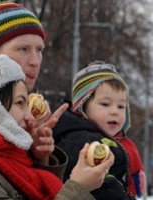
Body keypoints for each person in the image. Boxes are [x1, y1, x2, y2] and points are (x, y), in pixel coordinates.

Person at [0, 51, 114, 199]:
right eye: (20, 103)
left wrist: (40, 161)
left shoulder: (11, 161)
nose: (28, 116)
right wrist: (79, 188)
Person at [0, 1, 69, 168]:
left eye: (39, 50)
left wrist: (39, 156)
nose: (36, 61)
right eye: (23, 49)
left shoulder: (31, 116)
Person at [53, 61, 147, 199]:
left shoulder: (117, 143)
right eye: (105, 104)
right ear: (83, 107)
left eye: (121, 106)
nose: (114, 111)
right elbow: (107, 189)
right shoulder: (80, 142)